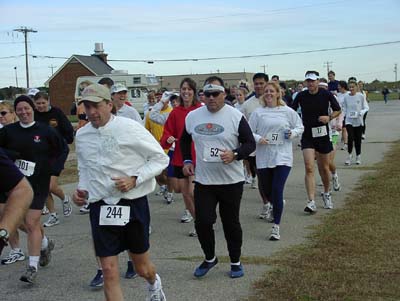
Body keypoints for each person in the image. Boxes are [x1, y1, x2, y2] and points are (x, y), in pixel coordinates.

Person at [72, 83, 168, 301]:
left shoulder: (129, 127)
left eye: (96, 106)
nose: (92, 112)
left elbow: (160, 159)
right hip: (101, 206)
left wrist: (134, 179)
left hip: (132, 204)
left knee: (142, 267)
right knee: (108, 269)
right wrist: (81, 190)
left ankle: (154, 284)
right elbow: (84, 168)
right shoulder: (82, 135)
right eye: (87, 106)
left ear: (109, 104)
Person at [180, 76, 255, 278]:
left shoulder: (235, 116)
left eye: (216, 94)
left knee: (231, 223)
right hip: (205, 181)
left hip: (231, 181)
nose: (211, 98)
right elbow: (184, 140)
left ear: (224, 95)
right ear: (202, 96)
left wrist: (236, 154)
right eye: (207, 94)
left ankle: (235, 262)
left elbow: (250, 143)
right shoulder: (193, 117)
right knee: (202, 221)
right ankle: (210, 258)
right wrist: (187, 160)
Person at [0, 95, 63, 284]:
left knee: (31, 221)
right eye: (19, 109)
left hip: (38, 182)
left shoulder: (45, 130)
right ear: (16, 112)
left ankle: (32, 266)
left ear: (33, 109)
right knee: (14, 220)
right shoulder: (8, 132)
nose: (23, 112)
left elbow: (62, 150)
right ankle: (44, 243)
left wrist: (54, 171)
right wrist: (14, 156)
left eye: (26, 108)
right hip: (14, 183)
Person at [249, 81, 303, 240]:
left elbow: (300, 127)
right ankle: (277, 203)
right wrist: (259, 138)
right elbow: (249, 132)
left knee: (277, 189)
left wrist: (292, 133)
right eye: (266, 91)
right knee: (267, 191)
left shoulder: (287, 111)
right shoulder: (258, 113)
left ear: (278, 93)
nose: (269, 94)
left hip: (283, 156)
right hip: (264, 156)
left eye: (272, 91)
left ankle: (276, 227)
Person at [292, 71, 341, 212]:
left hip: (323, 134)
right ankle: (311, 201)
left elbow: (338, 110)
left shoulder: (325, 94)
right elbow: (291, 110)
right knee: (309, 166)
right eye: (308, 81)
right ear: (305, 82)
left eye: (313, 81)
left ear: (317, 81)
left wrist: (329, 117)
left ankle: (326, 192)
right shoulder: (301, 95)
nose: (311, 83)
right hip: (307, 135)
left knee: (324, 168)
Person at [160, 78, 202, 236]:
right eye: (183, 89)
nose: (186, 92)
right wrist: (168, 138)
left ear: (194, 91)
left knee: (190, 191)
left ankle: (201, 224)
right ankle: (199, 220)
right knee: (183, 192)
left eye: (189, 89)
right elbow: (167, 131)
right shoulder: (176, 112)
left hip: (197, 156)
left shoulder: (200, 110)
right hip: (179, 156)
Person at [33, 92, 74, 227]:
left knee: (50, 185)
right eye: (38, 103)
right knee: (43, 185)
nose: (40, 106)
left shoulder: (56, 113)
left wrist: (65, 140)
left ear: (48, 101)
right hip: (41, 152)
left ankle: (64, 198)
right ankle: (53, 215)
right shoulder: (33, 114)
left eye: (43, 103)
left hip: (58, 151)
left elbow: (68, 129)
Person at [240, 73, 272, 219]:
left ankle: (275, 202)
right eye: (256, 83)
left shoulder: (275, 101)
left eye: (261, 83)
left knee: (273, 178)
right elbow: (242, 125)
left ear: (267, 83)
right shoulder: (247, 104)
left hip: (273, 146)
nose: (259, 86)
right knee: (261, 177)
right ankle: (266, 204)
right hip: (256, 147)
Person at [0, 102, 27, 265]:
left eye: (4, 113)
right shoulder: (1, 132)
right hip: (4, 179)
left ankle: (40, 238)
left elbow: (24, 152)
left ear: (12, 114)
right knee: (4, 214)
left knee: (12, 216)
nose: (1, 117)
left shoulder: (19, 131)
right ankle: (16, 249)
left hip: (19, 180)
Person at [0, 148, 33, 257]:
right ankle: (16, 249)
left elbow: (23, 190)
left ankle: (39, 238)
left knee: (8, 216)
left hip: (9, 178)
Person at [343, 80, 369, 165]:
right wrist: (344, 115)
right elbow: (345, 108)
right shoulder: (346, 97)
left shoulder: (361, 96)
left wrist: (361, 112)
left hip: (358, 120)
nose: (351, 89)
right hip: (349, 120)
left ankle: (358, 156)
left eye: (353, 87)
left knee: (358, 139)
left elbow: (366, 107)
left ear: (356, 87)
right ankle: (349, 155)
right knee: (350, 137)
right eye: (350, 87)